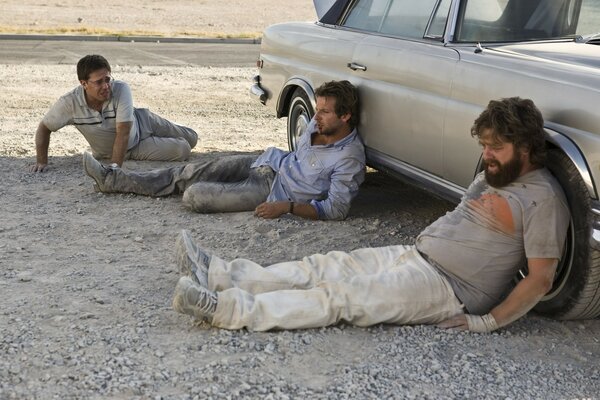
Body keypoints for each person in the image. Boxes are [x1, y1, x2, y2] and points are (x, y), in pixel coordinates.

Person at [170, 97, 570, 333]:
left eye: (495, 148)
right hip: (415, 254)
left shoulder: (543, 199)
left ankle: (226, 310)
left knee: (342, 298)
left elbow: (540, 279)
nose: (486, 156)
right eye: (484, 146)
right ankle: (222, 275)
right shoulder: (497, 171)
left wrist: (487, 323)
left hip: (448, 288)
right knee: (322, 267)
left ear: (525, 146)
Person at [82, 80, 366, 221]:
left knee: (195, 196)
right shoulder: (318, 126)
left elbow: (336, 209)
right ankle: (112, 179)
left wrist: (287, 207)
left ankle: (175, 187)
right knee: (187, 171)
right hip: (266, 163)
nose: (316, 118)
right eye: (318, 110)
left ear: (345, 117)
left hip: (274, 192)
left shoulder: (349, 157)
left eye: (325, 113)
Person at [30, 54, 198, 172]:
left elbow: (123, 131)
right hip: (132, 147)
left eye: (107, 79)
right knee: (182, 149)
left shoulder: (121, 88)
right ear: (84, 83)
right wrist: (42, 161)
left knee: (192, 138)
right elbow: (44, 128)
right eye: (99, 82)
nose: (106, 86)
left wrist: (114, 168)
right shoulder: (69, 103)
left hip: (142, 121)